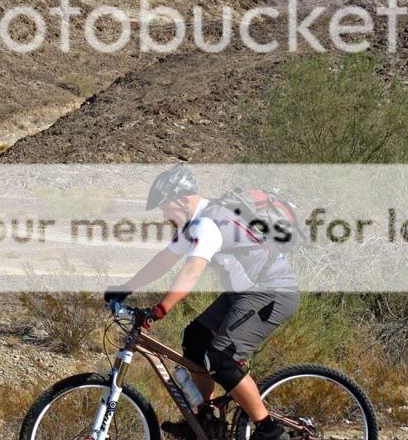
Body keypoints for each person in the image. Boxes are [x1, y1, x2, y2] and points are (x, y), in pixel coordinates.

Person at [105, 164, 300, 440]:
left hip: (273, 292)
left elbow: (192, 271)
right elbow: (165, 259)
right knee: (196, 338)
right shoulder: (195, 223)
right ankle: (204, 420)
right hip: (244, 292)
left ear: (183, 200)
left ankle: (268, 429)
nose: (163, 215)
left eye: (164, 207)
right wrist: (125, 288)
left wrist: (160, 310)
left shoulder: (209, 224)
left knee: (221, 357)